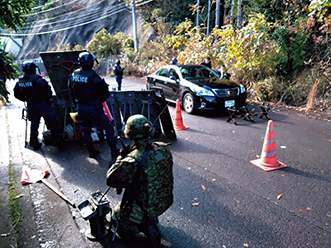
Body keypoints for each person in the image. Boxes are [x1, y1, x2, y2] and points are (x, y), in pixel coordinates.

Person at [106, 114, 174, 248]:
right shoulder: (163, 148)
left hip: (143, 207)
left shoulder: (132, 160)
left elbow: (111, 179)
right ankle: (150, 219)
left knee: (116, 217)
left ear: (130, 135)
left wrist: (121, 157)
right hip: (162, 201)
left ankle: (141, 224)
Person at [68, 52, 118, 158]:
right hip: (94, 108)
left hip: (81, 107)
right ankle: (113, 151)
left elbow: (71, 91)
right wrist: (98, 100)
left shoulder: (73, 75)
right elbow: (105, 94)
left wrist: (75, 102)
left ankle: (91, 151)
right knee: (108, 128)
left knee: (86, 130)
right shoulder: (95, 78)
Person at [14, 61, 59, 150]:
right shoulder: (39, 80)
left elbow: (16, 94)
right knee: (53, 120)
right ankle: (56, 140)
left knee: (34, 125)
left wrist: (25, 99)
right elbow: (48, 92)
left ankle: (34, 142)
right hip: (42, 104)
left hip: (31, 105)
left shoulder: (20, 82)